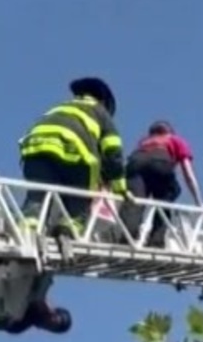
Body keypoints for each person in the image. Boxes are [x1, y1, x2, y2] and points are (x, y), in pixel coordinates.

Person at [18, 76, 128, 236]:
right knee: (80, 199)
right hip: (75, 153)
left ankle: (27, 228)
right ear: (103, 101)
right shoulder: (100, 112)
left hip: (35, 150)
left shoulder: (59, 108)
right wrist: (119, 187)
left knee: (37, 197)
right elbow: (113, 153)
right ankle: (68, 229)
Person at [121, 120, 203, 247]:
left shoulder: (144, 143)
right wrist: (199, 203)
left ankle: (126, 238)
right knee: (167, 196)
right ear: (170, 132)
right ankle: (156, 241)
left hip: (135, 162)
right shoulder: (175, 140)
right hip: (159, 162)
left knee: (135, 202)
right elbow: (188, 173)